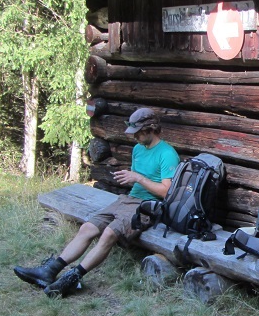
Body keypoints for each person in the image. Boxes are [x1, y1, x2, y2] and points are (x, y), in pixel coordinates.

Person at [13, 108, 180, 298]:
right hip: (127, 200)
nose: (134, 137)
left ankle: (73, 278)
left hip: (148, 206)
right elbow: (139, 178)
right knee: (87, 228)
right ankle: (49, 271)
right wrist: (130, 179)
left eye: (138, 133)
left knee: (109, 233)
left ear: (150, 129)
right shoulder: (138, 149)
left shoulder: (167, 154)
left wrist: (138, 178)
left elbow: (166, 191)